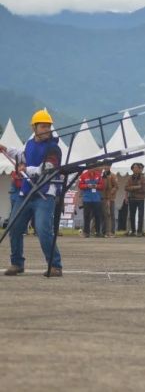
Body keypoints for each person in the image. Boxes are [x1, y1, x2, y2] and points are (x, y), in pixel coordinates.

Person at [0, 109, 64, 277]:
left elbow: (48, 168)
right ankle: (17, 263)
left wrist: (26, 169)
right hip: (26, 192)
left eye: (48, 126)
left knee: (43, 230)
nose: (47, 129)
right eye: (43, 126)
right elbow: (23, 154)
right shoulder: (30, 143)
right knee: (14, 227)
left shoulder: (54, 148)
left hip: (45, 194)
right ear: (34, 128)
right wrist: (6, 149)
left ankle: (55, 265)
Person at [78, 166, 105, 237]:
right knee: (87, 216)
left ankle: (98, 232)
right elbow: (80, 185)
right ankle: (86, 232)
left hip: (96, 199)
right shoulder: (83, 175)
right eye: (91, 167)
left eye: (93, 167)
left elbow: (102, 186)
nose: (92, 169)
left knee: (97, 216)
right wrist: (87, 185)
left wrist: (96, 186)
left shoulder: (98, 175)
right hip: (87, 199)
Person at [124, 162, 145, 236]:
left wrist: (132, 188)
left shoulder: (144, 178)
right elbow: (126, 188)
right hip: (132, 199)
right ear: (132, 169)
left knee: (140, 215)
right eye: (134, 168)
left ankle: (139, 231)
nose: (135, 169)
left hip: (140, 199)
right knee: (132, 216)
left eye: (137, 168)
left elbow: (144, 189)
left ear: (139, 169)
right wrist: (137, 187)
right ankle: (133, 231)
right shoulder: (130, 178)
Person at [100, 164, 118, 237]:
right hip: (101, 198)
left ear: (110, 167)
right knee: (103, 215)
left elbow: (116, 186)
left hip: (110, 198)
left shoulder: (113, 175)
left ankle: (111, 231)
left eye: (107, 166)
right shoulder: (101, 175)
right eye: (104, 166)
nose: (106, 167)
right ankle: (103, 231)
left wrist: (110, 194)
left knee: (110, 214)